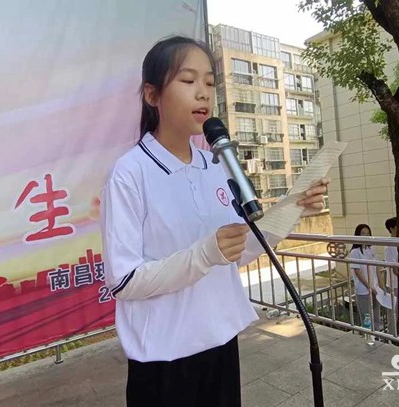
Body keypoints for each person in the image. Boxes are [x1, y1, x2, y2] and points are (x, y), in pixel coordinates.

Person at [99, 36, 329, 407]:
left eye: (209, 82)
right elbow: (124, 280)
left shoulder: (215, 164)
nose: (203, 93)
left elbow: (237, 250)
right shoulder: (130, 173)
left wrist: (294, 209)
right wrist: (203, 254)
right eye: (188, 80)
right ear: (152, 95)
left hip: (220, 342)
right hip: (164, 356)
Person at [348, 224, 383, 331]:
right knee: (367, 318)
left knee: (376, 316)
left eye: (368, 233)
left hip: (375, 288)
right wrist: (369, 287)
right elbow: (358, 272)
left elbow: (377, 268)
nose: (366, 235)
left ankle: (377, 336)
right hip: (363, 290)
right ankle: (369, 337)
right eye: (363, 233)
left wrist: (381, 286)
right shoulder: (355, 252)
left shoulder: (371, 249)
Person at [384, 217, 399, 335]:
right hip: (394, 284)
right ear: (392, 228)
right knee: (393, 312)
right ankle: (393, 336)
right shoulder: (389, 245)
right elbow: (394, 268)